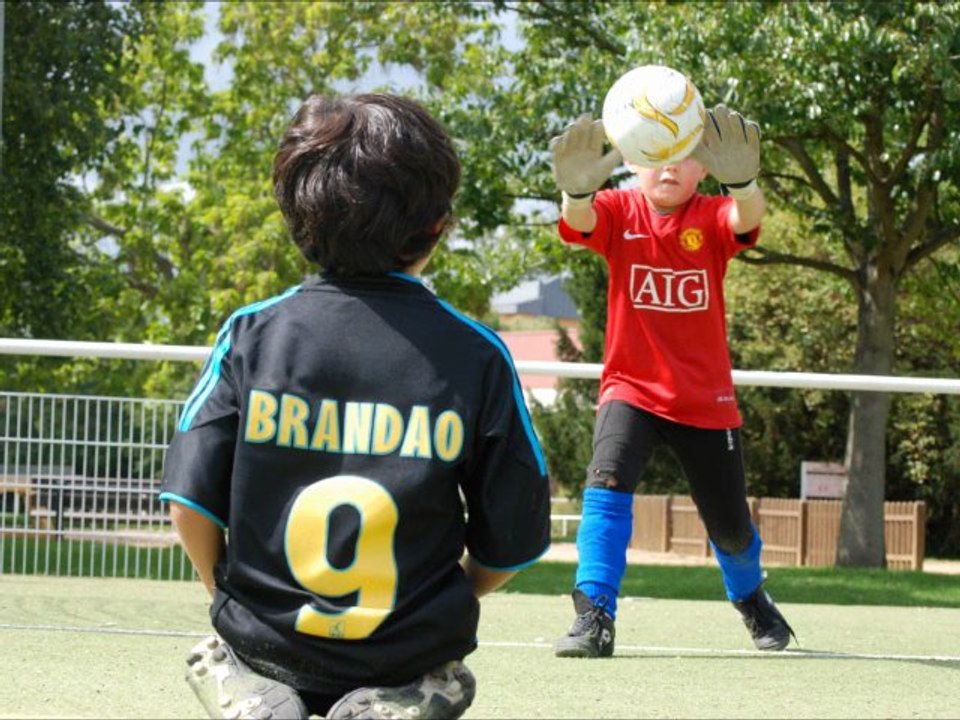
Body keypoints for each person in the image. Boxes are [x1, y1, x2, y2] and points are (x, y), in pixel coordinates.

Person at [159, 93, 551, 720]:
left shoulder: (251, 333)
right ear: (438, 225)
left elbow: (189, 502)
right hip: (405, 649)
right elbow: (515, 543)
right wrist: (449, 601)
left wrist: (225, 595)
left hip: (262, 640)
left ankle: (249, 685)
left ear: (295, 218)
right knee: (451, 677)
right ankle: (404, 695)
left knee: (225, 652)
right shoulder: (476, 354)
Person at [548, 104, 796, 658]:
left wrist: (747, 183)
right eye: (656, 155)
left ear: (704, 167)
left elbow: (744, 217)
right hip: (629, 390)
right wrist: (577, 194)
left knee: (730, 529)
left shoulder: (710, 215)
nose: (669, 167)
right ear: (632, 161)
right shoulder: (615, 208)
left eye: (684, 155)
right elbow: (581, 224)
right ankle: (594, 615)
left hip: (705, 401)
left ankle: (750, 596)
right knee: (605, 488)